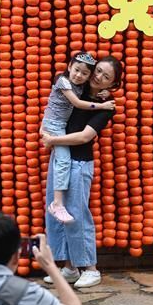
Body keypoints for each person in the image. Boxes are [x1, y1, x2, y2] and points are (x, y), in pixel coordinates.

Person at [39, 56, 123, 289]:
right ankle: (69, 268)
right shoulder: (76, 89)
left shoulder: (107, 107)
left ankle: (91, 269)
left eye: (107, 77)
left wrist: (53, 139)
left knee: (76, 213)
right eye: (98, 71)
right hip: (60, 158)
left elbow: (85, 136)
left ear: (112, 85)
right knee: (56, 214)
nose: (99, 77)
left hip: (79, 163)